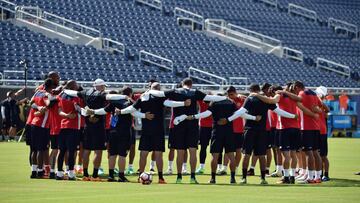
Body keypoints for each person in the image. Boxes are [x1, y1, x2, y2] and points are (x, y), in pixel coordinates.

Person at [146, 78, 228, 184]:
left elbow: (159, 96)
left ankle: (179, 178)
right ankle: (192, 178)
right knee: (192, 151)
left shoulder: (175, 91)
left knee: (180, 152)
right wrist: (225, 97)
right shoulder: (195, 92)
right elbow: (211, 97)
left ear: (182, 84)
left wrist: (149, 90)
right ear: (191, 84)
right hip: (192, 124)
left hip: (178, 124)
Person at [118, 82, 190, 183]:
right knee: (158, 154)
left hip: (147, 130)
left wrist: (123, 112)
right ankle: (160, 178)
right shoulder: (160, 97)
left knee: (144, 153)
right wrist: (183, 103)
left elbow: (132, 109)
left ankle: (140, 176)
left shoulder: (143, 97)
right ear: (158, 89)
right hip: (158, 130)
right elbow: (169, 103)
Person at [63, 78, 128, 181]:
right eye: (103, 86)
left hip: (87, 125)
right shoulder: (100, 94)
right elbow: (110, 96)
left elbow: (71, 92)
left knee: (86, 150)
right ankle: (94, 175)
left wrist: (63, 89)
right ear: (100, 86)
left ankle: (85, 174)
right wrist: (124, 96)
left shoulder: (86, 92)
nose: (103, 88)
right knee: (98, 151)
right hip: (98, 126)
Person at [236, 84, 297, 185]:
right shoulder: (265, 100)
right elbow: (279, 111)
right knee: (261, 155)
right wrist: (292, 116)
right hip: (262, 130)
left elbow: (241, 112)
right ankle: (263, 179)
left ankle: (243, 178)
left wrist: (230, 118)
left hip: (249, 129)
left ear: (251, 90)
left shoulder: (250, 99)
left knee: (246, 154)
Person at [86, 87, 141, 182]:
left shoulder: (114, 102)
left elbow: (104, 110)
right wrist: (144, 115)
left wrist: (94, 111)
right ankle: (121, 176)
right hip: (124, 131)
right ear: (130, 94)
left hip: (112, 131)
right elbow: (134, 113)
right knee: (122, 155)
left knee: (112, 154)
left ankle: (111, 176)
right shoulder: (129, 102)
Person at [293, 81, 323, 184]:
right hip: (315, 127)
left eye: (294, 89)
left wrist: (312, 114)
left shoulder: (302, 93)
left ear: (297, 87)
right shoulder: (313, 93)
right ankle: (318, 177)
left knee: (308, 153)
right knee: (316, 153)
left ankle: (310, 177)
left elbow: (302, 107)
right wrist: (316, 112)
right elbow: (320, 107)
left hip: (306, 127)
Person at [29, 78, 57, 178]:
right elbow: (49, 104)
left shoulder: (38, 92)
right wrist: (49, 101)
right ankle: (40, 172)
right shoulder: (46, 94)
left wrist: (38, 107)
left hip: (34, 123)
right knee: (41, 149)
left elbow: (31, 102)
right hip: (42, 125)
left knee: (34, 150)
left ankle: (33, 171)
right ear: (51, 87)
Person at [56, 80, 82, 180]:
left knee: (62, 150)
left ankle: (59, 173)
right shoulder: (75, 96)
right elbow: (77, 108)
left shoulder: (61, 95)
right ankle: (71, 173)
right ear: (72, 87)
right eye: (76, 85)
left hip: (63, 125)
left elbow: (59, 111)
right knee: (72, 151)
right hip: (74, 126)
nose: (78, 86)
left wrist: (66, 115)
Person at [316, 86, 330, 182]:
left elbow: (327, 109)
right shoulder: (316, 104)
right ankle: (319, 173)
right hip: (316, 131)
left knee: (323, 155)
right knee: (317, 154)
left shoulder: (321, 105)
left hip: (322, 132)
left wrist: (319, 99)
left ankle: (326, 174)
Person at [195, 99, 213, 174]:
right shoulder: (201, 102)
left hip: (214, 127)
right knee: (203, 147)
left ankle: (219, 167)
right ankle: (201, 167)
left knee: (216, 148)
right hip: (203, 128)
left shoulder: (214, 103)